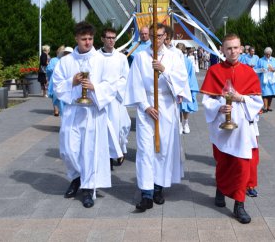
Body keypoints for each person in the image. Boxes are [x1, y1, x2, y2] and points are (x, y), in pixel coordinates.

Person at [124, 23, 191, 212]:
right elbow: (134, 84)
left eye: (160, 36)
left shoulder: (174, 57)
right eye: (152, 36)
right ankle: (146, 193)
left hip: (167, 108)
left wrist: (164, 70)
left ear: (166, 36)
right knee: (145, 150)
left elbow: (181, 82)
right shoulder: (140, 58)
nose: (156, 40)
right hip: (147, 107)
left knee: (162, 149)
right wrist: (145, 106)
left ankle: (158, 187)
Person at [201, 33, 263, 224]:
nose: (233, 51)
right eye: (229, 48)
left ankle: (239, 205)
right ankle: (221, 188)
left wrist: (241, 98)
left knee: (242, 165)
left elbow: (257, 101)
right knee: (224, 162)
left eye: (236, 47)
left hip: (243, 128)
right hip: (222, 127)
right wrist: (219, 107)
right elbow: (206, 101)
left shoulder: (249, 72)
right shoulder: (214, 71)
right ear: (222, 50)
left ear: (241, 48)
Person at [52, 22, 115, 208]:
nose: (87, 42)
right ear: (76, 39)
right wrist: (72, 82)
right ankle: (77, 177)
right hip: (73, 110)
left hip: (93, 112)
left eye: (90, 39)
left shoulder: (101, 60)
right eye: (83, 39)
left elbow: (111, 84)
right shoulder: (66, 61)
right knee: (68, 149)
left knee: (89, 150)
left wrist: (95, 88)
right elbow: (57, 85)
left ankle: (88, 188)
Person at [99, 27, 131, 167]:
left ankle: (118, 151)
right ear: (102, 39)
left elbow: (126, 77)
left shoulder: (121, 57)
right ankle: (107, 157)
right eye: (108, 38)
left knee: (120, 126)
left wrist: (114, 89)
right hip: (101, 99)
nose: (111, 40)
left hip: (117, 99)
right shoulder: (96, 57)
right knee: (104, 129)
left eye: (113, 38)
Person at [256, 47, 275, 113]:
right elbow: (256, 69)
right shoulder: (261, 60)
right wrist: (261, 70)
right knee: (265, 93)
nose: (268, 55)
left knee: (271, 94)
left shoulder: (274, 60)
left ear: (271, 53)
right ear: (264, 53)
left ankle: (269, 107)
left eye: (269, 54)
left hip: (272, 80)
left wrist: (274, 69)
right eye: (266, 54)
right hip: (264, 80)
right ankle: (265, 107)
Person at [47, 45, 68, 116]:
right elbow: (49, 69)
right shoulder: (53, 60)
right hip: (54, 79)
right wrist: (55, 69)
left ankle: (61, 109)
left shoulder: (66, 60)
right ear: (58, 52)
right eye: (61, 52)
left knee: (61, 95)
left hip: (63, 80)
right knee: (54, 94)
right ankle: (56, 110)